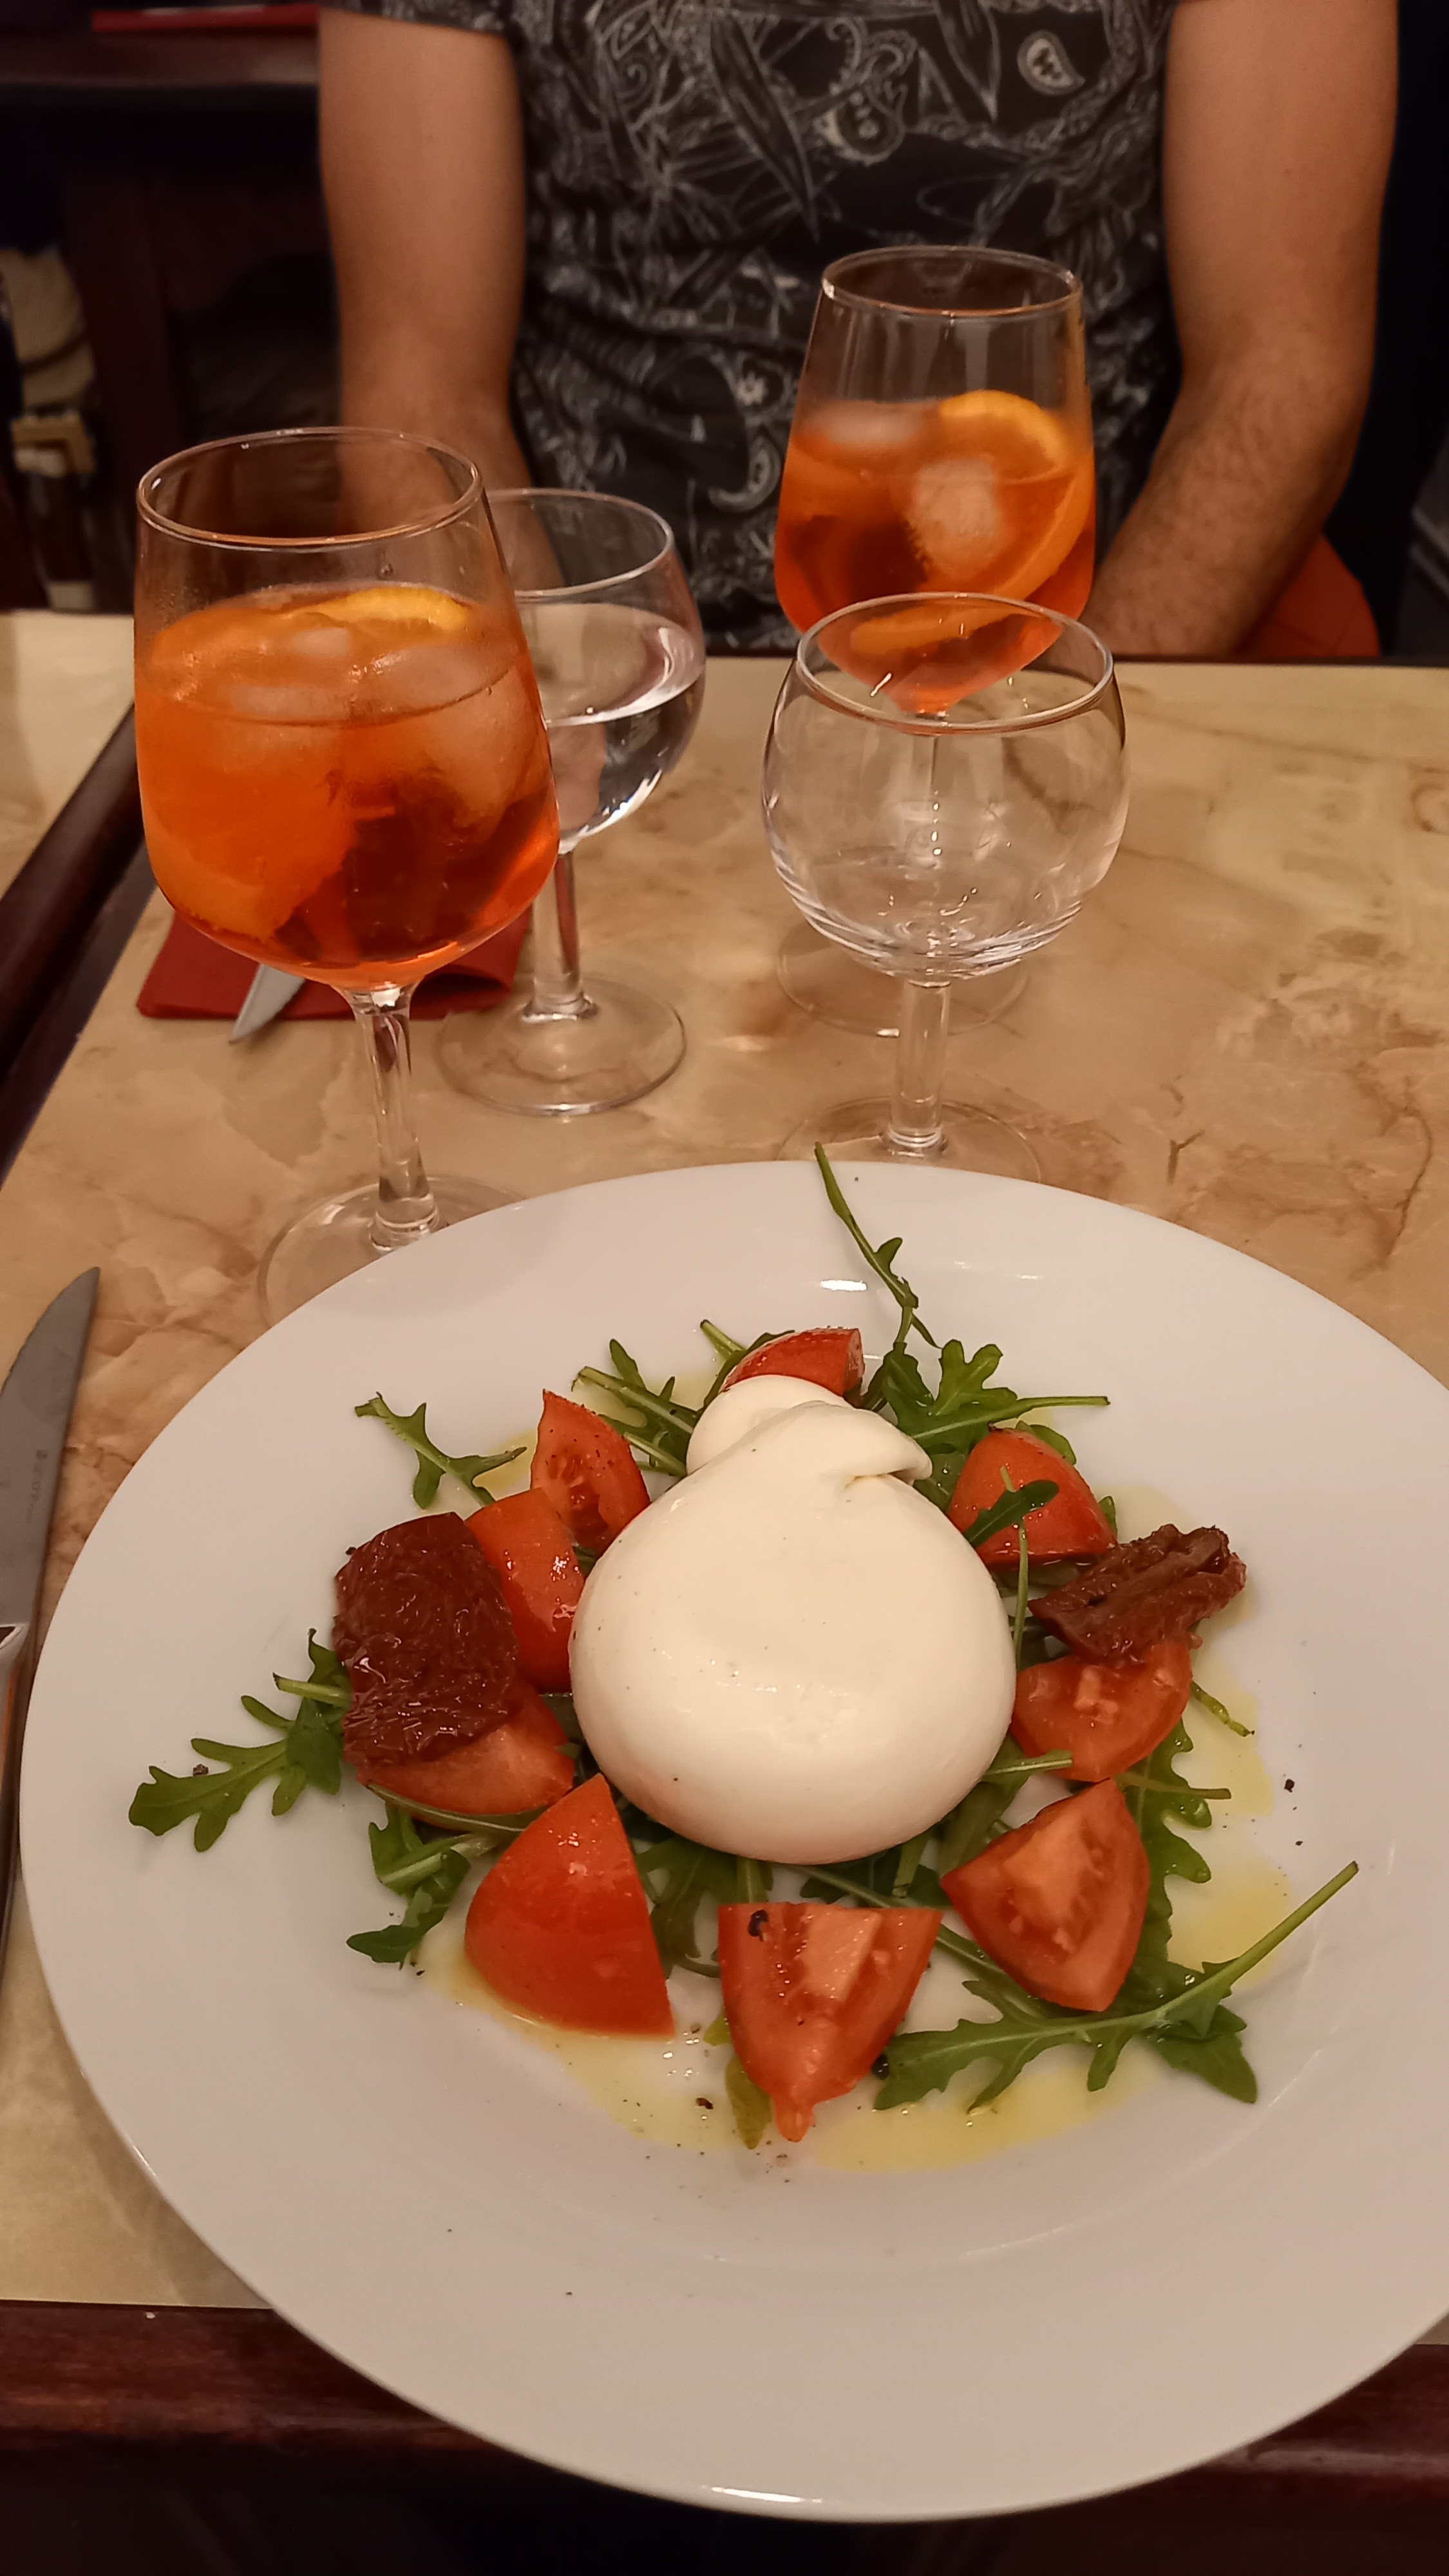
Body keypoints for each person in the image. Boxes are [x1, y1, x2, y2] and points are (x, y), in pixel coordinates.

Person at [319, 0, 1395, 655]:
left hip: (1068, 626)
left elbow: (1280, 367)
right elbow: (423, 387)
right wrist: (548, 696)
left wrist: (1074, 716)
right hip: (617, 640)